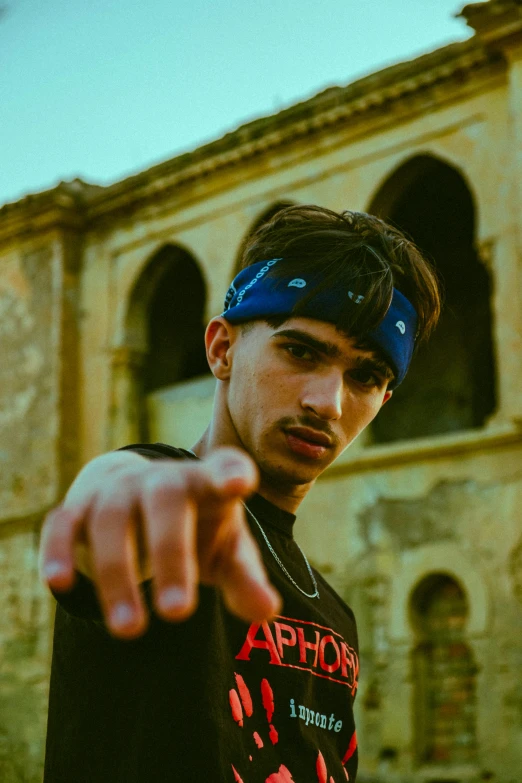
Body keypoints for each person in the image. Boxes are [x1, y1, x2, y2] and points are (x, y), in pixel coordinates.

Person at [40, 205, 441, 782]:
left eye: (365, 376)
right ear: (222, 350)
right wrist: (120, 493)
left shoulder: (335, 612)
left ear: (384, 399)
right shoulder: (175, 508)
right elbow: (120, 503)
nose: (327, 402)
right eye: (301, 352)